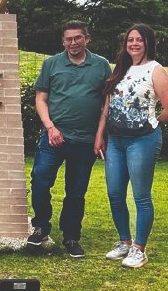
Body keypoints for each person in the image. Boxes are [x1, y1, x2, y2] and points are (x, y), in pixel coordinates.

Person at [94, 24, 168, 268]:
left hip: (142, 141)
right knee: (115, 194)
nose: (133, 44)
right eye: (130, 39)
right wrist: (100, 135)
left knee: (141, 196)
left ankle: (140, 249)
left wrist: (150, 122)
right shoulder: (120, 69)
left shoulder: (156, 70)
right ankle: (125, 242)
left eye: (139, 40)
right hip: (115, 142)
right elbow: (106, 109)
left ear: (148, 43)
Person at [27, 20, 111, 257]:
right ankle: (41, 226)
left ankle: (71, 237)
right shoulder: (52, 64)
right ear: (63, 41)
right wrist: (50, 127)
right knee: (40, 179)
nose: (73, 43)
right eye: (68, 39)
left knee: (76, 192)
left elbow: (107, 102)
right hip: (54, 137)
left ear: (87, 38)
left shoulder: (101, 65)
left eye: (77, 38)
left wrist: (100, 136)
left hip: (86, 140)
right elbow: (41, 99)